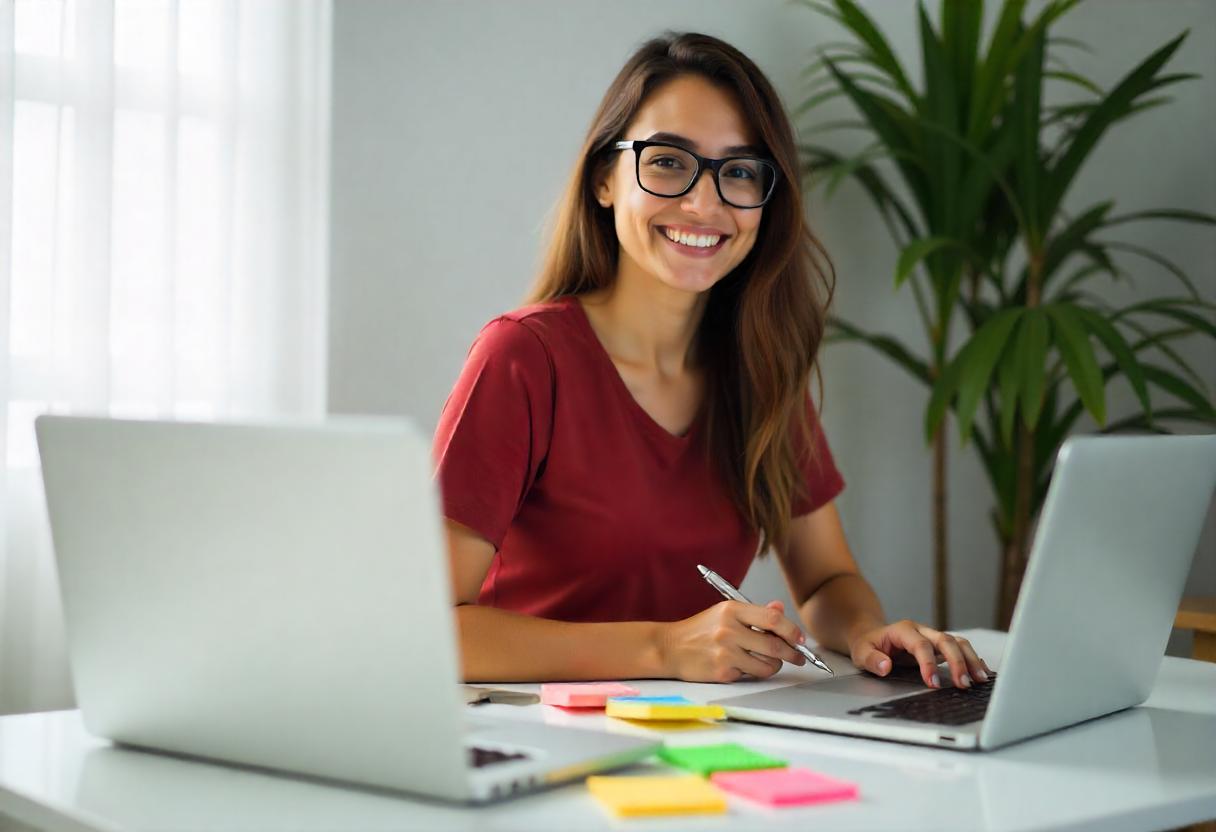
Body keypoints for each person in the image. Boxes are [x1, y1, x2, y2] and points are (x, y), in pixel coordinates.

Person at [432, 31, 989, 689]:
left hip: (695, 732)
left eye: (740, 171)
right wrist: (664, 650)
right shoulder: (523, 358)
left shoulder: (761, 369)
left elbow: (827, 578)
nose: (705, 202)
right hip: (539, 736)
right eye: (668, 161)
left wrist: (868, 632)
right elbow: (428, 627)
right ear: (605, 180)